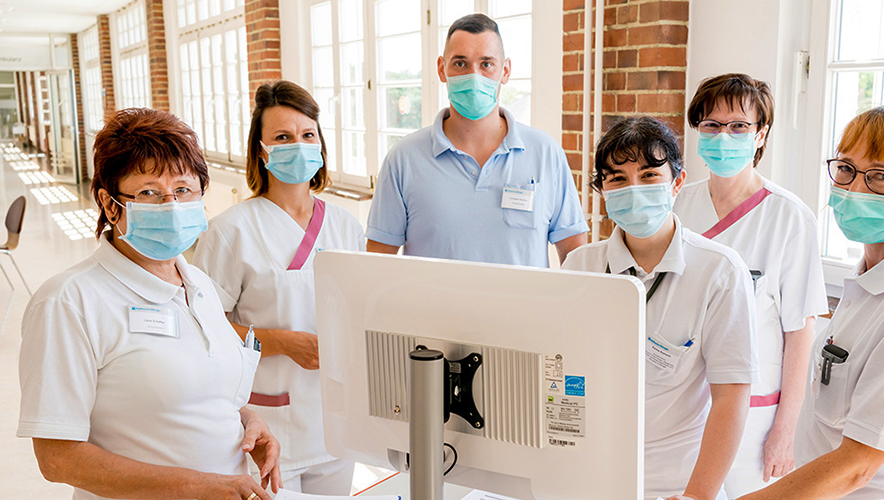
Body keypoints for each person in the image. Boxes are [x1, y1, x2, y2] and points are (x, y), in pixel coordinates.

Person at [17, 108, 282, 500]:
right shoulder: (69, 302)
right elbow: (57, 458)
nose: (171, 205)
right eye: (148, 193)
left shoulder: (200, 284)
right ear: (110, 205)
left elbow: (200, 394)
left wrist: (247, 421)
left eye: (183, 190)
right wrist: (196, 486)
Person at [738, 102, 884, 500]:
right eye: (846, 169)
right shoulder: (871, 275)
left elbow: (857, 467)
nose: (854, 189)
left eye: (881, 177)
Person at [562, 116, 758, 500]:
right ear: (602, 190)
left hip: (673, 484)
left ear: (677, 183)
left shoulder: (719, 271)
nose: (633, 189)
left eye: (649, 175)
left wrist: (697, 495)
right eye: (617, 179)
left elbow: (732, 395)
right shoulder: (580, 266)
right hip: (587, 476)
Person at [193, 81, 363, 495]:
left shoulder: (345, 225)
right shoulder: (230, 232)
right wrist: (280, 342)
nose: (298, 145)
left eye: (308, 135)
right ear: (261, 151)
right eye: (283, 137)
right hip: (265, 426)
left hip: (336, 420)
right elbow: (202, 332)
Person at [673, 74, 827, 496]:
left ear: (761, 136)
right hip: (681, 402)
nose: (724, 136)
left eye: (739, 126)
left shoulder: (790, 218)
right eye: (711, 125)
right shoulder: (677, 204)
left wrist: (785, 428)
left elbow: (799, 332)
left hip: (754, 414)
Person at [366, 13, 588, 267]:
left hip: (523, 308)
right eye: (460, 64)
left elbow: (576, 255)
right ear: (442, 69)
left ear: (505, 71)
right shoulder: (403, 158)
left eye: (486, 64)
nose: (474, 76)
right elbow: (378, 263)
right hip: (431, 309)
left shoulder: (545, 152)